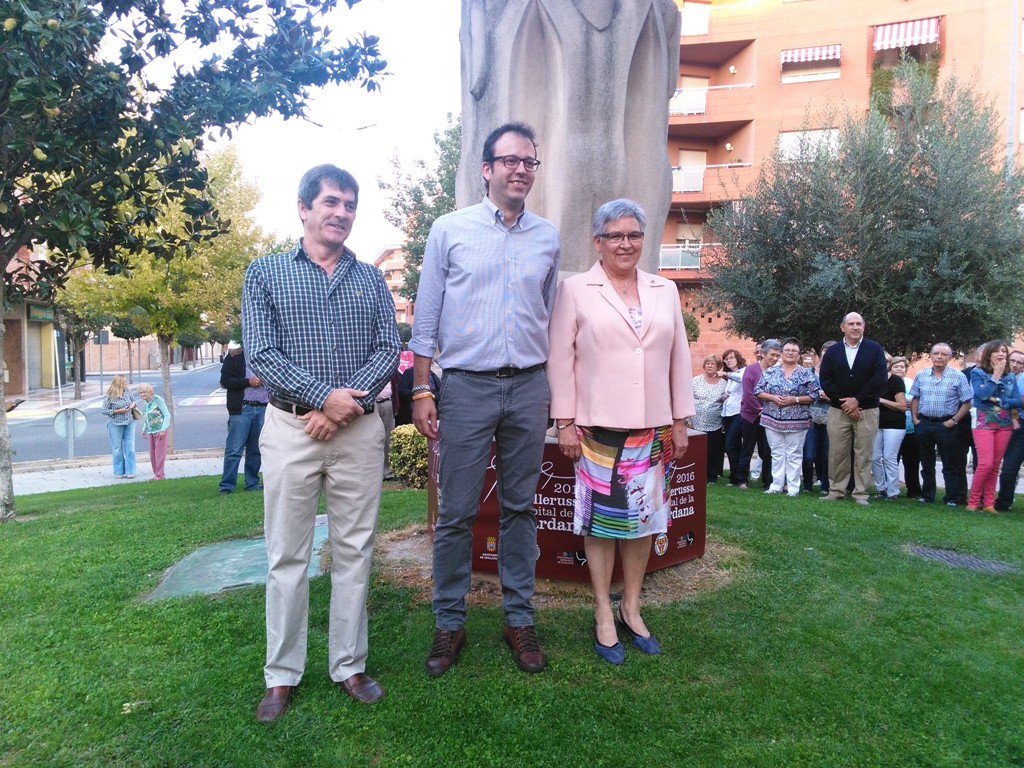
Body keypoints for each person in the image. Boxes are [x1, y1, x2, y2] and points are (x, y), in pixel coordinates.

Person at [243, 164, 401, 722]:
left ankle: (349, 665)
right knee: (286, 555)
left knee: (355, 551)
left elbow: (389, 348)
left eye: (350, 205)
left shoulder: (370, 279)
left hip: (357, 433)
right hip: (291, 431)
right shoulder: (264, 273)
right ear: (304, 208)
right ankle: (281, 675)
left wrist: (344, 406)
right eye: (331, 202)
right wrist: (322, 398)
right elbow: (261, 353)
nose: (341, 213)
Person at [410, 122, 560, 677]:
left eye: (529, 162)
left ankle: (518, 618)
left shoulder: (547, 236)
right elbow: (425, 317)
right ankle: (449, 622)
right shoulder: (449, 230)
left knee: (522, 508)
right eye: (511, 160)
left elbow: (545, 315)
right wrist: (423, 388)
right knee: (456, 512)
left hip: (528, 386)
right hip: (466, 387)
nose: (521, 169)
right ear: (487, 168)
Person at [548, 198, 694, 664]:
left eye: (633, 235)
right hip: (597, 431)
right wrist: (565, 421)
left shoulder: (664, 289)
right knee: (601, 524)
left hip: (653, 429)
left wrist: (681, 419)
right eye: (615, 235)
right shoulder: (575, 289)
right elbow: (560, 359)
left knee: (642, 523)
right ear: (598, 241)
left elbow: (679, 358)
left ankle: (631, 608)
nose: (625, 243)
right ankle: (602, 613)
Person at [818, 312, 887, 505]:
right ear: (843, 327)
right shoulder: (833, 351)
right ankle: (836, 491)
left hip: (867, 410)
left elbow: (879, 377)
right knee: (837, 452)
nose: (855, 327)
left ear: (864, 327)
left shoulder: (874, 349)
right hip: (838, 411)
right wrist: (845, 404)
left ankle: (861, 493)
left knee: (863, 453)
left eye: (859, 324)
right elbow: (826, 379)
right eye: (851, 324)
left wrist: (857, 400)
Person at [909, 343, 973, 507]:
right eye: (936, 353)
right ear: (930, 355)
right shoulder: (921, 375)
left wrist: (953, 421)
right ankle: (927, 495)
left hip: (946, 425)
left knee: (949, 464)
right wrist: (915, 419)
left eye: (943, 354)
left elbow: (967, 402)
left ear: (949, 357)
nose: (939, 356)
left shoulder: (958, 376)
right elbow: (915, 398)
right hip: (924, 423)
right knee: (926, 463)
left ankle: (951, 498)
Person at [753, 338, 819, 496]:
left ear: (799, 354)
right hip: (772, 419)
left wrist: (795, 399)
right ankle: (776, 485)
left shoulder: (806, 374)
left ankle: (793, 487)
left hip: (797, 421)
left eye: (794, 351)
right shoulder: (770, 372)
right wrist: (773, 398)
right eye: (787, 350)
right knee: (776, 453)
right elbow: (757, 390)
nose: (790, 353)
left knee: (794, 454)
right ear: (781, 353)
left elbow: (814, 395)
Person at [967, 340, 1020, 513]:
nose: (1001, 354)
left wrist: (998, 401)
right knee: (985, 464)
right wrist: (995, 377)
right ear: (989, 353)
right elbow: (981, 395)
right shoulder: (977, 373)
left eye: (1004, 351)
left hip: (1004, 424)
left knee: (996, 464)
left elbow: (1017, 400)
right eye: (997, 351)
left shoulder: (1011, 375)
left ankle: (989, 503)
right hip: (983, 421)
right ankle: (973, 502)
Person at [218, 342, 268, 493]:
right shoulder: (235, 356)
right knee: (234, 449)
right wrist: (248, 382)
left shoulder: (269, 356)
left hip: (263, 409)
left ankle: (252, 483)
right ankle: (227, 486)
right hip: (242, 408)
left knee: (256, 450)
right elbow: (225, 381)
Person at [735, 339, 781, 489]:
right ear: (763, 354)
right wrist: (760, 410)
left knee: (767, 451)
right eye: (772, 355)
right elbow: (749, 395)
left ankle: (768, 481)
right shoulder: (751, 370)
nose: (774, 358)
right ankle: (742, 480)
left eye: (777, 355)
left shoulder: (777, 371)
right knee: (747, 448)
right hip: (750, 416)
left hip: (769, 418)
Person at [871, 357, 908, 500]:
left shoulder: (895, 381)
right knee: (874, 457)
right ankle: (881, 488)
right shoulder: (872, 380)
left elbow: (902, 406)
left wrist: (881, 400)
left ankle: (893, 492)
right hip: (875, 423)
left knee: (889, 457)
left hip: (894, 424)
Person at [803, 339, 834, 495]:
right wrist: (815, 395)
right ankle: (807, 486)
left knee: (827, 455)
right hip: (810, 419)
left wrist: (830, 397)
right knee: (809, 455)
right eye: (825, 350)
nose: (828, 354)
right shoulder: (807, 373)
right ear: (820, 352)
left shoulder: (838, 375)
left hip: (831, 418)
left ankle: (825, 487)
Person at [994, 349, 1024, 511]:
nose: (1015, 365)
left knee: (1010, 468)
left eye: (1019, 363)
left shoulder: (1021, 379)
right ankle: (1004, 502)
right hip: (1012, 424)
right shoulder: (1003, 378)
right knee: (1009, 468)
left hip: (1018, 423)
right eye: (1013, 361)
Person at [890, 356, 922, 499]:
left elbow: (917, 401)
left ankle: (914, 491)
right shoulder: (887, 383)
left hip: (910, 429)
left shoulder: (911, 383)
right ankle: (891, 488)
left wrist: (909, 404)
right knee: (892, 460)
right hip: (892, 427)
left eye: (902, 367)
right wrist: (903, 404)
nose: (899, 369)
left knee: (912, 462)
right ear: (890, 368)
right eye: (896, 366)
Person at [692, 354, 726, 484]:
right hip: (696, 422)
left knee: (713, 450)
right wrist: (687, 420)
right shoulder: (695, 380)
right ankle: (697, 473)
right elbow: (688, 398)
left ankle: (712, 476)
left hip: (715, 423)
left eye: (713, 364)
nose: (710, 366)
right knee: (698, 450)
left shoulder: (723, 383)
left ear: (718, 367)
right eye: (707, 363)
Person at [101, 374, 138, 479]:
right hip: (115, 424)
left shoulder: (127, 391)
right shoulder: (109, 395)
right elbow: (104, 410)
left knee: (130, 447)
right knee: (117, 449)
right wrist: (118, 411)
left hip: (129, 422)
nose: (126, 383)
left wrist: (132, 405)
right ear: (119, 383)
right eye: (124, 381)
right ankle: (119, 472)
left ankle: (130, 471)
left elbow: (134, 401)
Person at [718, 349, 746, 486]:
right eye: (726, 359)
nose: (729, 360)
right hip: (727, 413)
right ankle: (737, 477)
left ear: (738, 358)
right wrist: (724, 396)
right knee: (734, 446)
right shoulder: (729, 377)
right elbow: (729, 394)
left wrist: (726, 374)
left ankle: (738, 477)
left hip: (738, 412)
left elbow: (741, 379)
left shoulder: (743, 371)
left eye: (731, 358)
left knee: (730, 445)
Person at [136, 383, 171, 480]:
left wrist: (163, 430)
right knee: (152, 454)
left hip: (160, 430)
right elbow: (146, 417)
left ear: (149, 392)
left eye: (144, 392)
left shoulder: (157, 400)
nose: (142, 395)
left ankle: (160, 475)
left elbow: (167, 415)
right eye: (140, 393)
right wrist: (144, 429)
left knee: (159, 454)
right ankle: (156, 474)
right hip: (151, 431)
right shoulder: (146, 403)